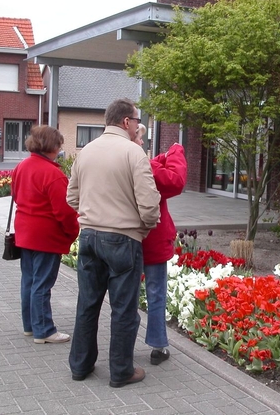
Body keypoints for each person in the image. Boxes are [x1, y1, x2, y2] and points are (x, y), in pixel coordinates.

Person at [66, 98, 161, 388]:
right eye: (136, 120)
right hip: (123, 239)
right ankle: (121, 371)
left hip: (90, 237)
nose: (137, 126)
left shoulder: (87, 151)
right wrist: (141, 229)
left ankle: (80, 366)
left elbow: (72, 197)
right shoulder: (134, 153)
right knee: (124, 310)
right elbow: (149, 206)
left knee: (87, 304)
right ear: (126, 122)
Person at [11, 125, 79, 344]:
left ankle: (30, 326)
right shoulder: (53, 174)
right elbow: (65, 211)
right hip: (46, 237)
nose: (60, 148)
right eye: (59, 144)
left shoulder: (22, 166)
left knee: (29, 281)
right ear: (51, 145)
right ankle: (44, 330)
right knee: (42, 284)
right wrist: (73, 232)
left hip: (25, 233)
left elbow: (15, 194)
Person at [134, 124, 187, 365]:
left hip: (125, 239)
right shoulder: (147, 168)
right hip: (153, 239)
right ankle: (157, 345)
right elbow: (176, 180)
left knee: (127, 295)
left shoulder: (119, 163)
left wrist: (161, 157)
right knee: (156, 294)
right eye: (141, 138)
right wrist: (175, 151)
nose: (144, 144)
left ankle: (123, 345)